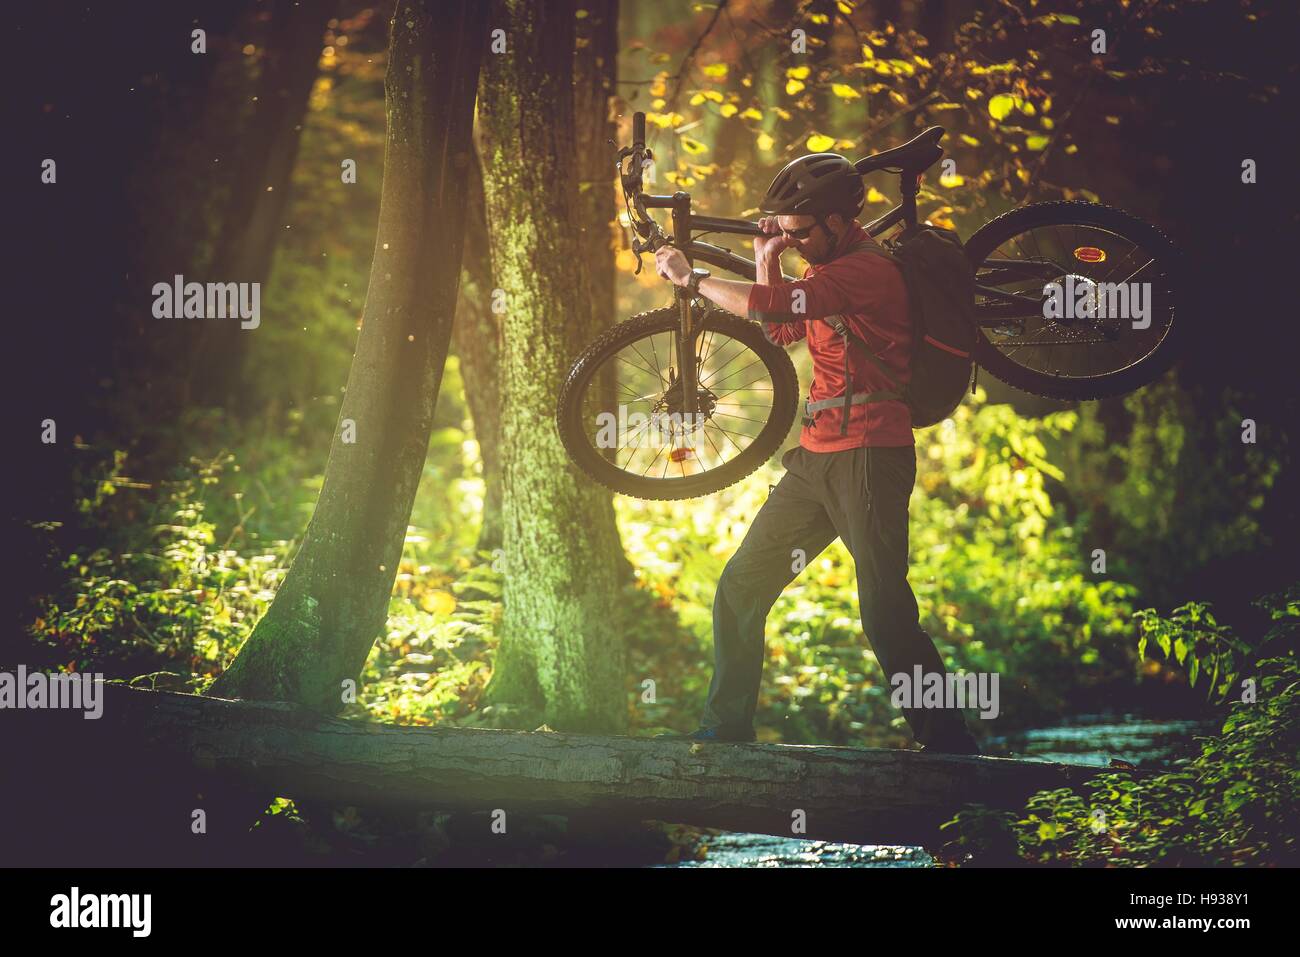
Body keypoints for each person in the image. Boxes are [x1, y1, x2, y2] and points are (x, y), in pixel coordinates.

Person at [651, 152, 981, 755]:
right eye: (786, 231)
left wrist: (691, 278)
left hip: (870, 455)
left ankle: (948, 741)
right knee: (743, 584)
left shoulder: (864, 271)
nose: (793, 241)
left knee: (883, 608)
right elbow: (782, 329)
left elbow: (775, 309)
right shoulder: (822, 274)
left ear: (837, 221)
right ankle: (727, 728)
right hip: (816, 457)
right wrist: (764, 257)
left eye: (801, 232)